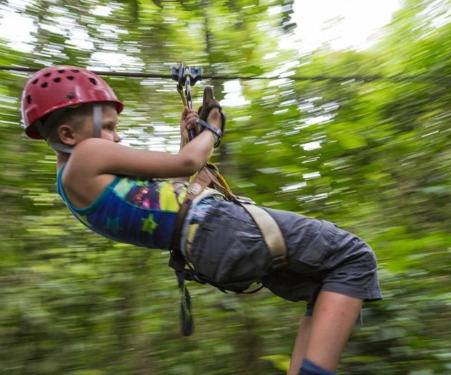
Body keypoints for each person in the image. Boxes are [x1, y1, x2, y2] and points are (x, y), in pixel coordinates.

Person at [21, 65, 382, 375]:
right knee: (354, 257)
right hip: (220, 228)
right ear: (68, 135)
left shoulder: (74, 184)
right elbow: (186, 166)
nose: (118, 136)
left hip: (208, 248)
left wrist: (187, 143)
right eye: (111, 127)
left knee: (323, 286)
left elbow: (166, 197)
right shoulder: (87, 155)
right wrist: (212, 129)